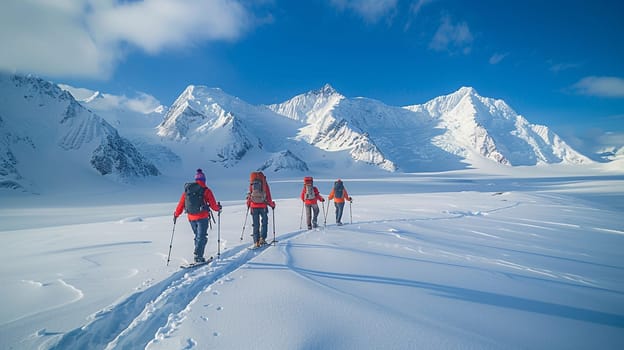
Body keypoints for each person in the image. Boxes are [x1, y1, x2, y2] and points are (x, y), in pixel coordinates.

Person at [174, 169, 221, 263]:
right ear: (204, 180)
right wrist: (218, 208)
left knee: (197, 236)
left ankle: (198, 254)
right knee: (202, 236)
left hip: (191, 217)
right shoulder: (206, 190)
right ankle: (198, 256)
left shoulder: (188, 190)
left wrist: (176, 214)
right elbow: (213, 205)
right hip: (202, 217)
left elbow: (181, 204)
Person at [246, 171, 276, 247]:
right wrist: (272, 205)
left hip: (253, 206)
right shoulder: (264, 183)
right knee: (264, 222)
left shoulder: (252, 184)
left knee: (255, 224)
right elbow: (268, 196)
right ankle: (262, 239)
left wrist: (248, 204)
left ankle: (256, 241)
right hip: (263, 206)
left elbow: (250, 194)